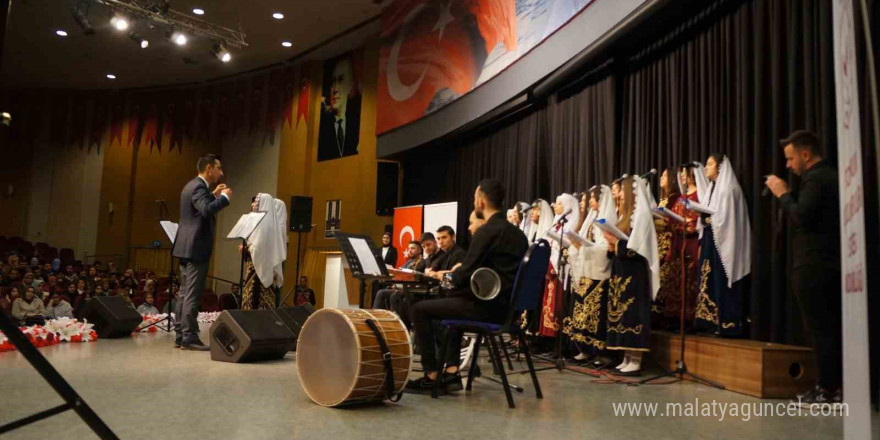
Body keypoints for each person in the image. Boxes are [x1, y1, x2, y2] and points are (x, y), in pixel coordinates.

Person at [406, 178, 528, 394]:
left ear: (480, 202)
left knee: (419, 309)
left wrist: (451, 275)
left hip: (487, 309)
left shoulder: (488, 231)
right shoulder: (519, 235)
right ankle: (452, 373)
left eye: (474, 199)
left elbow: (462, 276)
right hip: (508, 310)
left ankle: (431, 376)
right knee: (451, 303)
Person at [765, 130, 841, 405]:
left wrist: (783, 193)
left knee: (820, 329)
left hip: (815, 264)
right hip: (826, 262)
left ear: (805, 155)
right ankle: (830, 386)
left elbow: (801, 216)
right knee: (827, 328)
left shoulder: (817, 180)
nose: (787, 165)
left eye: (790, 158)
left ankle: (827, 389)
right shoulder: (827, 177)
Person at [172, 153, 232, 351]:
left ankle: (181, 335)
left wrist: (213, 195)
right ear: (209, 169)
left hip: (185, 246)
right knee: (192, 293)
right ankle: (189, 337)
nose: (221, 173)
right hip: (196, 247)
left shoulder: (191, 186)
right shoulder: (199, 187)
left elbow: (198, 208)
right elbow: (206, 210)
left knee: (183, 293)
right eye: (218, 168)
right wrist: (223, 199)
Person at [602, 176, 659, 376]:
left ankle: (636, 358)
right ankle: (626, 355)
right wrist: (611, 245)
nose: (620, 196)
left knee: (633, 313)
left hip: (635, 273)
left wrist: (616, 244)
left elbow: (640, 249)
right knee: (622, 314)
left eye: (623, 192)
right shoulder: (625, 217)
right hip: (621, 270)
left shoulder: (642, 216)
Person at [694, 154, 751, 337]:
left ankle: (728, 324)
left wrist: (709, 218)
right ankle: (709, 322)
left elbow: (726, 220)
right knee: (708, 279)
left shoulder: (727, 188)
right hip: (712, 240)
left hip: (724, 243)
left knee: (721, 279)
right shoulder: (712, 188)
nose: (706, 168)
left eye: (709, 164)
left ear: (719, 167)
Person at [564, 185, 616, 359]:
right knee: (584, 311)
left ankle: (599, 352)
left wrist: (585, 246)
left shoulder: (607, 218)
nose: (590, 202)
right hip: (589, 269)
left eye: (593, 199)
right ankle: (584, 349)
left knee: (596, 315)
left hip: (600, 271)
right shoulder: (593, 217)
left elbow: (604, 248)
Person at [662, 163, 705, 329]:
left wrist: (689, 224)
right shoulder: (681, 197)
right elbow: (674, 218)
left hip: (691, 243)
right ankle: (674, 316)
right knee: (676, 280)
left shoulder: (698, 195)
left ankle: (689, 318)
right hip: (678, 242)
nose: (681, 177)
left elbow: (701, 219)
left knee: (690, 280)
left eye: (684, 173)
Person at [242, 193, 286, 311]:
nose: (253, 204)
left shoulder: (265, 225)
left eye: (256, 202)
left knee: (255, 301)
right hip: (266, 267)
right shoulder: (271, 225)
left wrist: (246, 248)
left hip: (258, 268)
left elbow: (259, 248)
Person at [651, 167, 682, 326]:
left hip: (668, 241)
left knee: (665, 275)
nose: (661, 178)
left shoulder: (675, 198)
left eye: (664, 176)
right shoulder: (662, 199)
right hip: (659, 241)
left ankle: (663, 315)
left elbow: (675, 220)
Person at [318, 56, 361, 161]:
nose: (335, 88)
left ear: (350, 85)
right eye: (333, 81)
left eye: (341, 80)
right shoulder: (322, 124)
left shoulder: (358, 124)